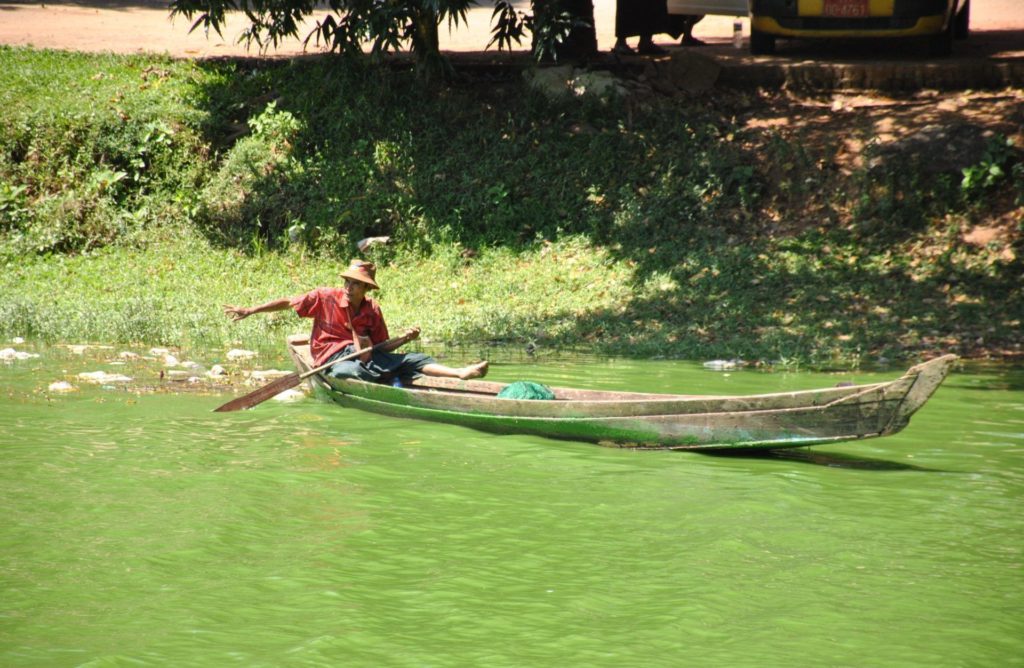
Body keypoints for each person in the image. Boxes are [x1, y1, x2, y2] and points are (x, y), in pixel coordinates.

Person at [223, 259, 488, 385]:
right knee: (351, 370)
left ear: (366, 289)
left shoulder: (372, 310)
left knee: (414, 358)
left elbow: (382, 347)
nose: (349, 287)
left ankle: (459, 373)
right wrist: (251, 309)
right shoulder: (325, 297)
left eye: (356, 284)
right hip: (331, 357)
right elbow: (287, 302)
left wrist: (405, 339)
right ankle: (389, 375)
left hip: (368, 356)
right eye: (347, 282)